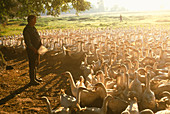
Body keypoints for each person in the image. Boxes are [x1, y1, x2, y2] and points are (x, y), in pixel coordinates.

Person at [23, 15, 42, 85]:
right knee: (32, 64)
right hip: (32, 50)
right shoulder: (27, 30)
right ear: (31, 20)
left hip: (37, 49)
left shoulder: (33, 28)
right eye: (34, 20)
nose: (35, 21)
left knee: (36, 63)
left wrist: (40, 44)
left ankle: (35, 77)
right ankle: (32, 80)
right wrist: (34, 49)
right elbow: (28, 42)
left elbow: (37, 37)